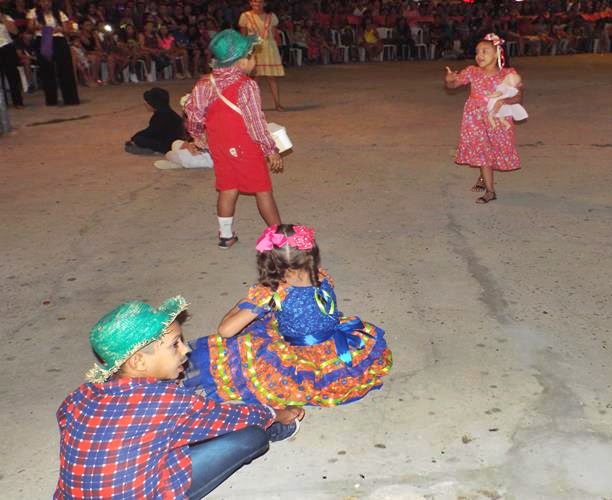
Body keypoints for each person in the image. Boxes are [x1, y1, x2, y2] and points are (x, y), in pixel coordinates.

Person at [55, 296, 305, 499]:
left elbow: (67, 419)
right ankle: (273, 429)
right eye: (175, 344)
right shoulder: (166, 400)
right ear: (138, 361)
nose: (185, 349)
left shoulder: (81, 396)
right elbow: (229, 417)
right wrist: (279, 414)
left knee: (175, 429)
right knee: (252, 434)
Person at [185, 224, 392, 408]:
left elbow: (226, 330)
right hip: (334, 344)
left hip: (300, 356)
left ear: (270, 265)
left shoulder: (273, 293)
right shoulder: (321, 276)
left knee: (237, 347)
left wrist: (242, 303)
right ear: (310, 255)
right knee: (268, 320)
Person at [184, 29, 284, 249]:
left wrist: (197, 134)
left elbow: (192, 111)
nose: (254, 58)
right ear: (240, 63)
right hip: (245, 145)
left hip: (219, 146)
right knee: (263, 190)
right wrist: (270, 148)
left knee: (227, 188)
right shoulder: (246, 86)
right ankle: (279, 238)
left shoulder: (204, 83)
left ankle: (226, 236)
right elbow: (255, 121)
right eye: (251, 54)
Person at [445, 33, 522, 204]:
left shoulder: (508, 74)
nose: (479, 55)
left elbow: (518, 97)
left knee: (493, 149)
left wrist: (504, 100)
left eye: (485, 51)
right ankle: (490, 191)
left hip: (497, 117)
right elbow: (453, 85)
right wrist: (449, 81)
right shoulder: (472, 71)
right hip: (475, 118)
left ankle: (482, 178)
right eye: (477, 52)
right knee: (483, 150)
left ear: (497, 54)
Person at [26, 0, 79, 106]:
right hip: (44, 37)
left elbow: (67, 29)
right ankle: (51, 100)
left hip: (58, 38)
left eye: (48, 1)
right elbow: (30, 27)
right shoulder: (34, 12)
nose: (46, 3)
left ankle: (70, 99)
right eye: (43, 1)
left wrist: (59, 29)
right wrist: (43, 27)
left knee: (65, 69)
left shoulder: (59, 13)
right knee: (47, 69)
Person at [239, 0, 285, 111]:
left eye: (259, 2)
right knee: (254, 78)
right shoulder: (245, 16)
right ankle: (252, 106)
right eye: (254, 2)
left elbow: (275, 34)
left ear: (264, 3)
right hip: (253, 47)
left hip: (269, 47)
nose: (256, 4)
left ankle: (277, 103)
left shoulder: (271, 16)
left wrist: (279, 50)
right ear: (250, 3)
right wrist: (245, 52)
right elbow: (243, 36)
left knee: (271, 77)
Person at [125, 87, 186, 155]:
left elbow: (150, 132)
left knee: (139, 139)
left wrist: (135, 138)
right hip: (172, 139)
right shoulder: (169, 112)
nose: (145, 104)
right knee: (141, 137)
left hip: (168, 145)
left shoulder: (160, 116)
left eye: (147, 102)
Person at [1, 10, 23, 108]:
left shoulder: (6, 17)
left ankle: (17, 102)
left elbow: (15, 32)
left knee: (12, 76)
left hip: (7, 47)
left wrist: (3, 19)